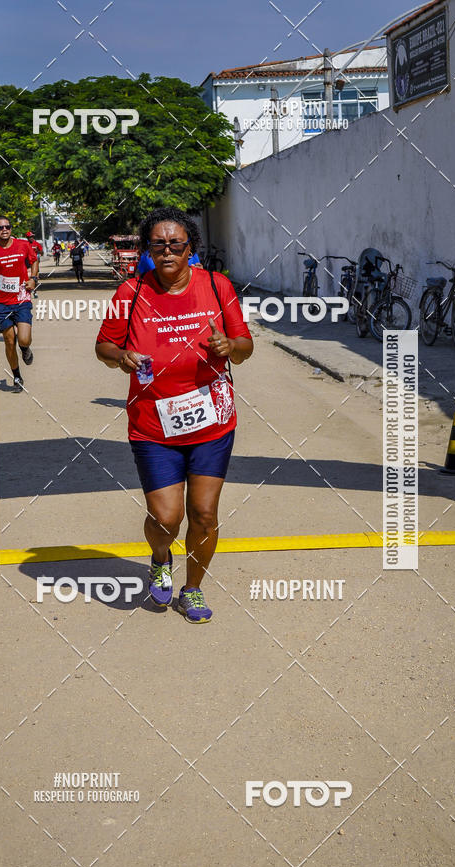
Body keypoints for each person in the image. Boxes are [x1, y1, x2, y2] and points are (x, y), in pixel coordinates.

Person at [96, 206, 253, 624]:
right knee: (166, 518)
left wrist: (230, 348)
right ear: (149, 249)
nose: (168, 252)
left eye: (176, 244)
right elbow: (103, 347)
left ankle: (193, 588)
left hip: (212, 422)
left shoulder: (218, 286)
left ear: (190, 248)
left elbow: (245, 343)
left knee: (204, 514)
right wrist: (122, 357)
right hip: (152, 424)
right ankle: (160, 557)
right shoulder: (129, 294)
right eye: (159, 244)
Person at [0, 216, 38, 392]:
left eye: (7, 226)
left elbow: (34, 260)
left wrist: (33, 279)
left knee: (24, 339)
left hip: (21, 298)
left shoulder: (23, 245)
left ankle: (25, 348)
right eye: (0, 227)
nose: (4, 229)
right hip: (1, 303)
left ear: (11, 229)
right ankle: (17, 375)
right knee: (9, 340)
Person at [137, 248, 201, 275]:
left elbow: (198, 272)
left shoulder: (191, 254)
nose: (167, 251)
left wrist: (199, 272)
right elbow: (139, 275)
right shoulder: (147, 255)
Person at [24, 232, 43, 298]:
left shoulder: (36, 244)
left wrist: (38, 251)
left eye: (32, 237)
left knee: (35, 278)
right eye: (30, 237)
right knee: (27, 278)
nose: (32, 238)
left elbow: (42, 253)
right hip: (27, 263)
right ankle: (27, 292)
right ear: (27, 238)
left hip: (35, 263)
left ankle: (35, 291)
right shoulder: (25, 244)